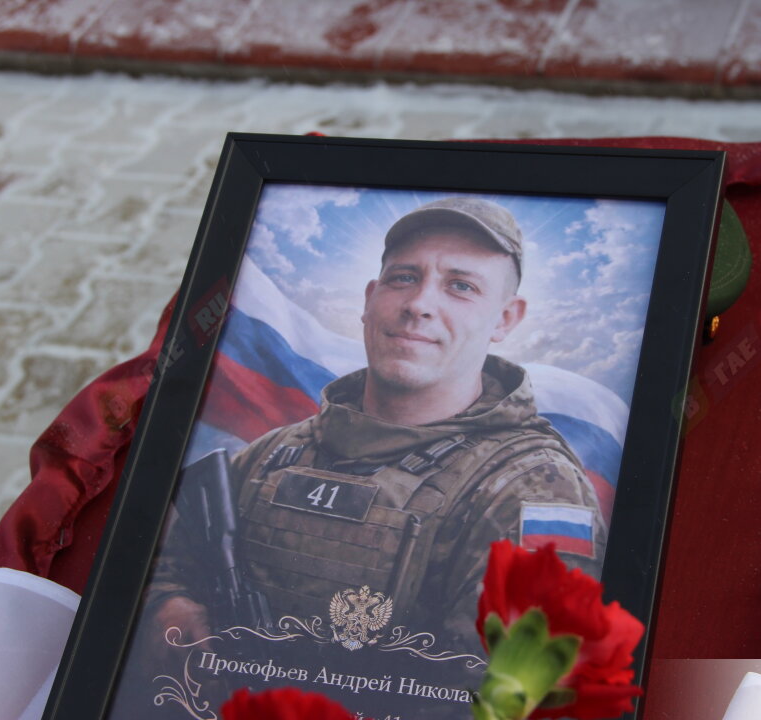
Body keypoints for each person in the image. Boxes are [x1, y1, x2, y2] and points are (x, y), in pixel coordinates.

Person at [150, 197, 606, 657]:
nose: (419, 304)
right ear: (370, 298)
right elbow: (165, 568)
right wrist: (169, 607)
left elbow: (518, 683)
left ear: (505, 319)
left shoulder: (537, 490)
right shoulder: (272, 454)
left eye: (461, 286)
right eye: (403, 278)